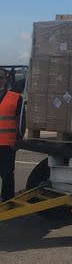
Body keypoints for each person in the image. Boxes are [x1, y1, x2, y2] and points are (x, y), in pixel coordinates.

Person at [0, 68, 23, 202]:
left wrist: (18, 140)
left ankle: (8, 200)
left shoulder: (15, 98)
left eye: (1, 77)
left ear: (5, 79)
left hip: (7, 144)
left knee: (6, 173)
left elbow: (21, 121)